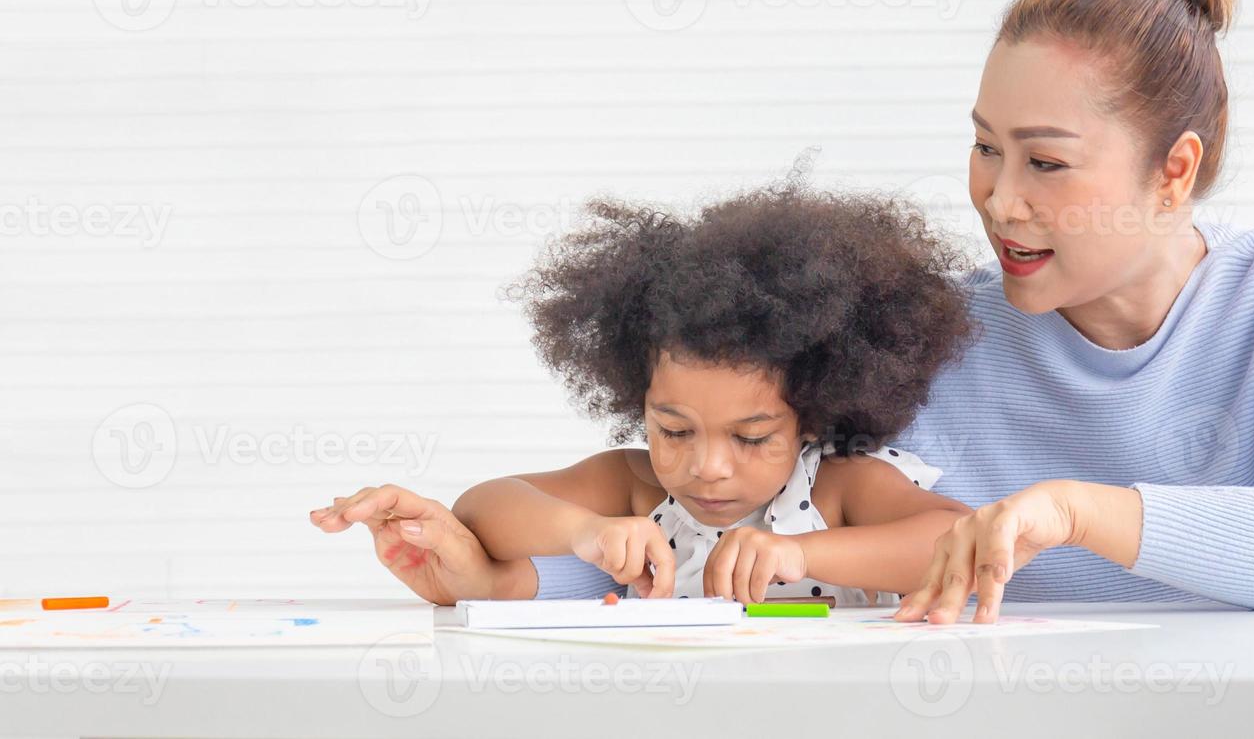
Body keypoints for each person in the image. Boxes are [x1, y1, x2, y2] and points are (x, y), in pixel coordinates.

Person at [493, 0, 1254, 622]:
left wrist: (1075, 512)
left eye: (1047, 162)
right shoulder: (924, 337)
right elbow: (722, 539)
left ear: (1175, 171)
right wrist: (496, 576)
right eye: (986, 148)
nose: (999, 199)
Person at [310, 180, 976, 605]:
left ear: (812, 416)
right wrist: (586, 533)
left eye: (751, 437)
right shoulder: (638, 489)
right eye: (675, 430)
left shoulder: (837, 487)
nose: (706, 466)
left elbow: (954, 538)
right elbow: (484, 509)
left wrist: (802, 552)